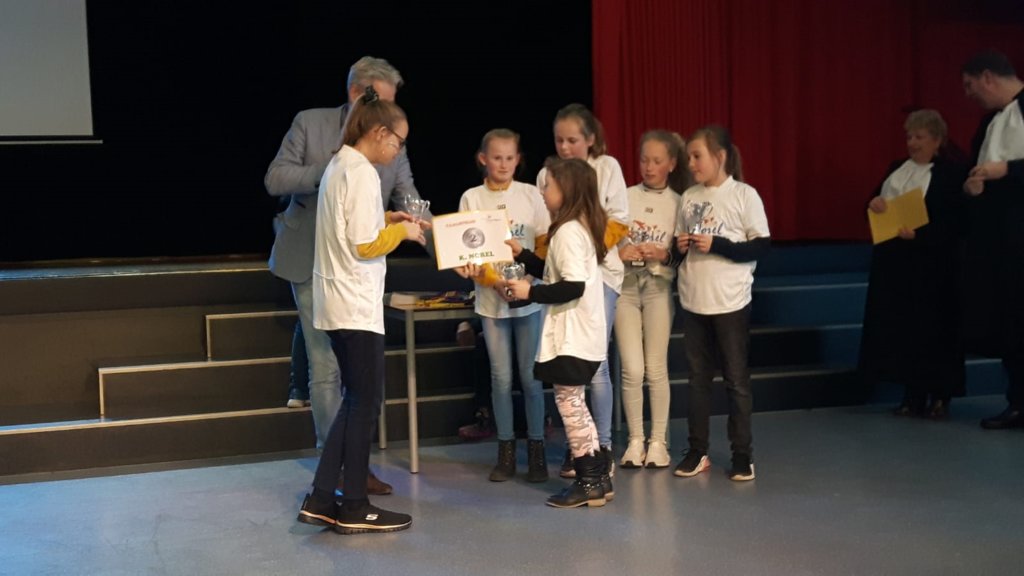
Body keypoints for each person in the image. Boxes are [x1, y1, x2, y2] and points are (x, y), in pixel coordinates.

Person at [266, 56, 430, 493]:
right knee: (327, 369)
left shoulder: (373, 154)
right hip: (317, 262)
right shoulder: (328, 141)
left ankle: (344, 470)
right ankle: (337, 467)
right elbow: (275, 179)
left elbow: (408, 199)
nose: (389, 125)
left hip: (355, 274)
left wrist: (448, 243)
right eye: (382, 106)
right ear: (357, 94)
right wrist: (332, 173)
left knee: (357, 384)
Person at [296, 86, 425, 534]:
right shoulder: (363, 173)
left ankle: (320, 497)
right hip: (354, 305)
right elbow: (365, 245)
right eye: (398, 141)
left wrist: (389, 220)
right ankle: (353, 504)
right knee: (364, 404)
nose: (399, 150)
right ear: (379, 132)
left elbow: (352, 226)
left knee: (355, 401)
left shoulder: (340, 165)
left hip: (338, 302)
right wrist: (404, 234)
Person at [507, 157, 610, 507]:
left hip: (573, 336)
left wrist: (529, 292)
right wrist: (523, 254)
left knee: (569, 403)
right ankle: (598, 477)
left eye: (548, 185)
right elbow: (556, 274)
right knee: (575, 402)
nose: (542, 191)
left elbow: (572, 286)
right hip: (582, 335)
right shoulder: (576, 228)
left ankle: (588, 481)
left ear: (566, 190)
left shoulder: (568, 232)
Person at [672, 126, 770, 482]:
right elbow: (676, 252)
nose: (691, 163)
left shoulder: (744, 195)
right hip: (694, 300)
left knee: (736, 381)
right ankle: (697, 450)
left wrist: (718, 245)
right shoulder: (689, 197)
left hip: (730, 302)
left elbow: (760, 246)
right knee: (698, 380)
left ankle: (742, 454)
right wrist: (678, 248)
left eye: (697, 156)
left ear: (720, 156)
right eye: (689, 157)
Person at [537, 104, 630, 479]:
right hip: (567, 275)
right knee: (570, 375)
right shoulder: (550, 174)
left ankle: (599, 449)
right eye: (559, 140)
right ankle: (581, 450)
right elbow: (547, 230)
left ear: (590, 139)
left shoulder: (606, 169)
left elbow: (618, 220)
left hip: (599, 277)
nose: (564, 147)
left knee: (595, 365)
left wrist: (587, 248)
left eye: (572, 140)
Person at [455, 129, 552, 482]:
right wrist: (494, 282)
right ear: (483, 159)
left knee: (530, 377)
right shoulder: (472, 198)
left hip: (528, 298)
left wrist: (526, 282)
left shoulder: (530, 195)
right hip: (491, 299)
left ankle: (537, 451)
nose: (503, 164)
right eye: (497, 158)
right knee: (500, 377)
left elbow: (544, 245)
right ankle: (506, 451)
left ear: (518, 159)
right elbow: (467, 252)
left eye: (510, 158)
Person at [859, 110, 966, 419]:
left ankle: (941, 395)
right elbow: (875, 201)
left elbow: (955, 222)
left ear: (937, 140)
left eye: (920, 137)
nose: (912, 143)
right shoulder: (897, 168)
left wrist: (921, 235)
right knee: (905, 330)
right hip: (896, 263)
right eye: (909, 136)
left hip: (933, 266)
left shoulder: (950, 174)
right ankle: (913, 394)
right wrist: (873, 203)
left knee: (936, 330)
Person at [960, 50, 1024, 430]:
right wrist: (973, 187)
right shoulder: (988, 123)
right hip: (1000, 241)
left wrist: (1008, 169)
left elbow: (1006, 169)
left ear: (988, 77)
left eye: (971, 85)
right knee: (1011, 321)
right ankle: (1018, 400)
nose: (969, 94)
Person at [615, 130, 686, 468]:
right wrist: (622, 253)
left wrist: (663, 254)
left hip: (658, 288)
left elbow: (681, 255)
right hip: (626, 288)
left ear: (671, 164)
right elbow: (608, 242)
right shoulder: (625, 197)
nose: (649, 167)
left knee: (656, 367)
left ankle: (658, 442)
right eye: (644, 159)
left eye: (657, 161)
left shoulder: (678, 202)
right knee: (632, 368)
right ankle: (635, 440)